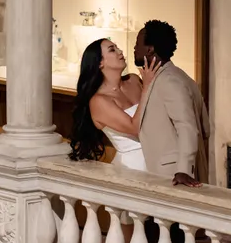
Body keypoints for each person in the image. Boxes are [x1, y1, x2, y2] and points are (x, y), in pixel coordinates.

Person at [133, 20, 209, 187]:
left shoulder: (168, 81)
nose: (134, 48)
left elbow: (187, 126)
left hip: (173, 176)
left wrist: (184, 170)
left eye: (137, 43)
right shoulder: (183, 77)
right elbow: (206, 128)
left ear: (150, 49)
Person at [69, 38, 158, 168]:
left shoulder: (133, 80)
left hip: (159, 155)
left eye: (117, 47)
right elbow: (134, 128)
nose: (120, 51)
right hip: (134, 165)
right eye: (112, 50)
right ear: (100, 63)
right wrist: (147, 87)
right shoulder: (98, 101)